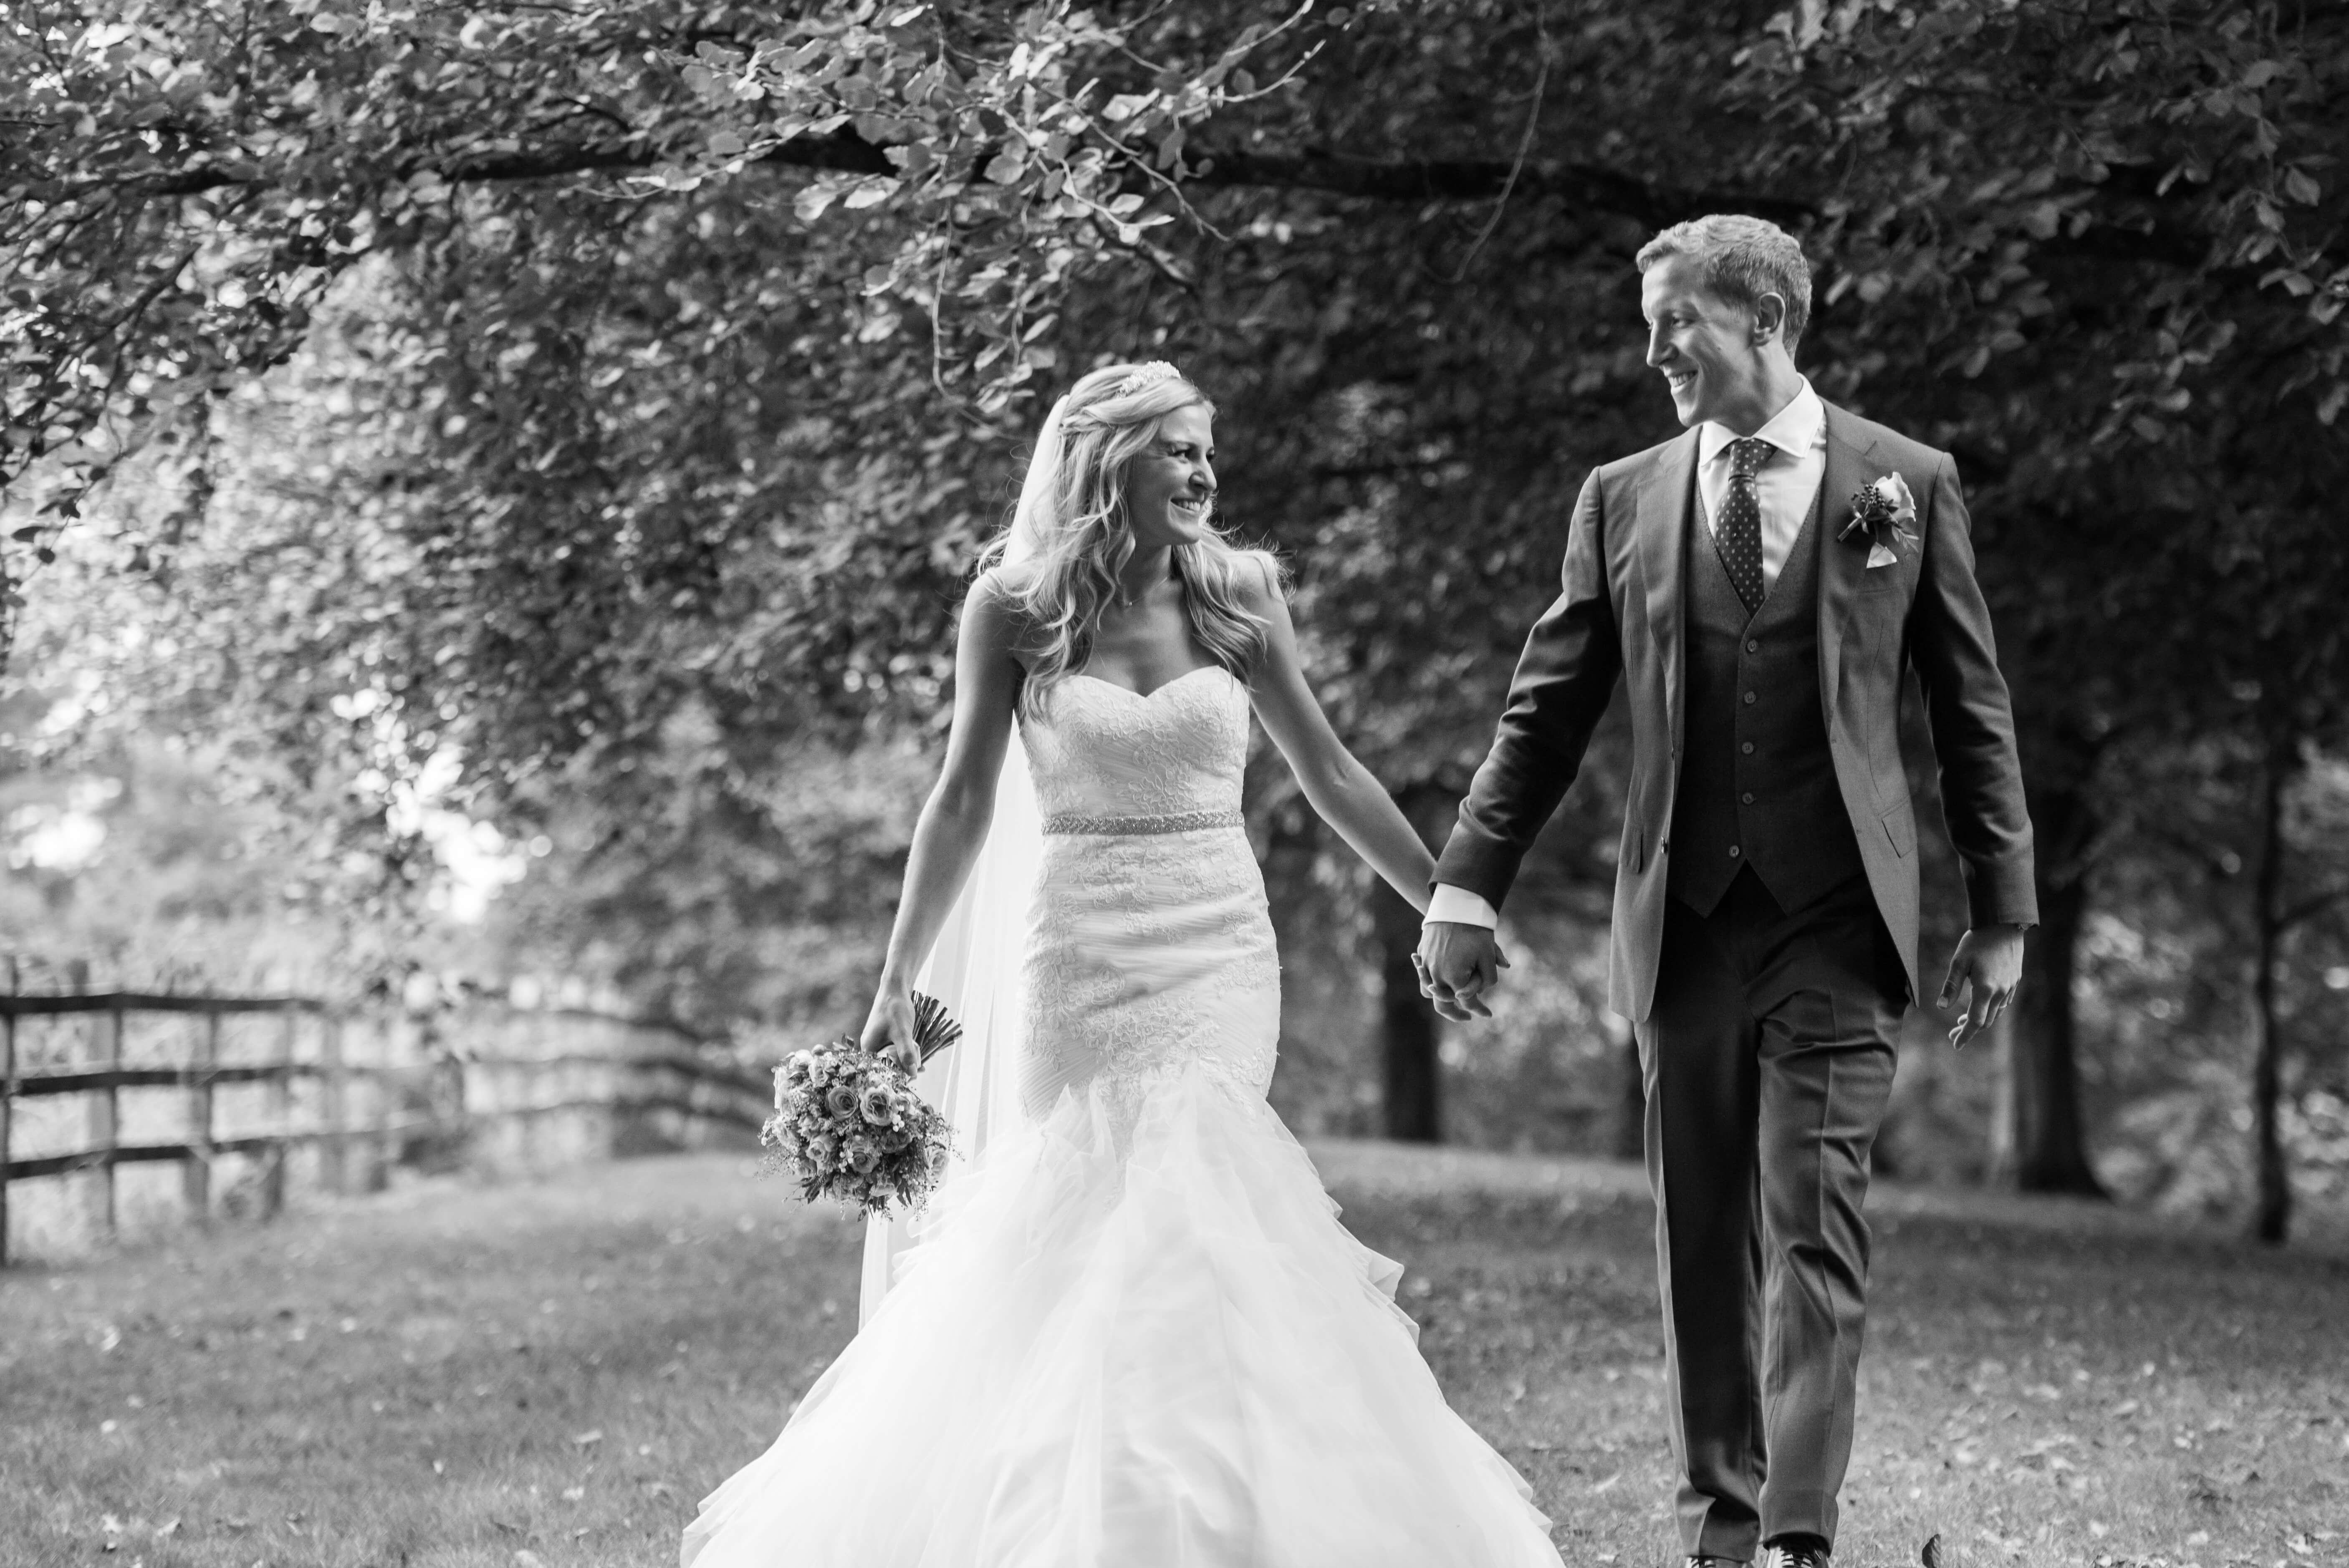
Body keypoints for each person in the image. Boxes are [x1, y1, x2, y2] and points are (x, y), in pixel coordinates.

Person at [681, 361, 1565, 1567]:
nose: (1204, 473)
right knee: (1086, 1208)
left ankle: (1224, 1517)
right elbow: (955, 805)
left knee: (1201, 1191)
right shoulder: (1014, 608)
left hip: (1212, 940)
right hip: (1079, 947)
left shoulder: (1242, 596)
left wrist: (1445, 900)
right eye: (1177, 451)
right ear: (1108, 465)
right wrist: (898, 983)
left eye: (1208, 450)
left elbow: (1331, 770)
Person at [1417, 214, 2036, 1568]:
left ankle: (1795, 1541)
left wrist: (2002, 910)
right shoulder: (1621, 495)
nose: (1653, 350)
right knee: (1702, 1238)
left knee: (1812, 1227)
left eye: (1674, 320)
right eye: (1650, 322)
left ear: (1763, 320)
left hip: (1835, 917)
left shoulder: (1905, 483)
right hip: (1685, 922)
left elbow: (1970, 710)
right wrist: (1466, 884)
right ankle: (1721, 1526)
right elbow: (1545, 712)